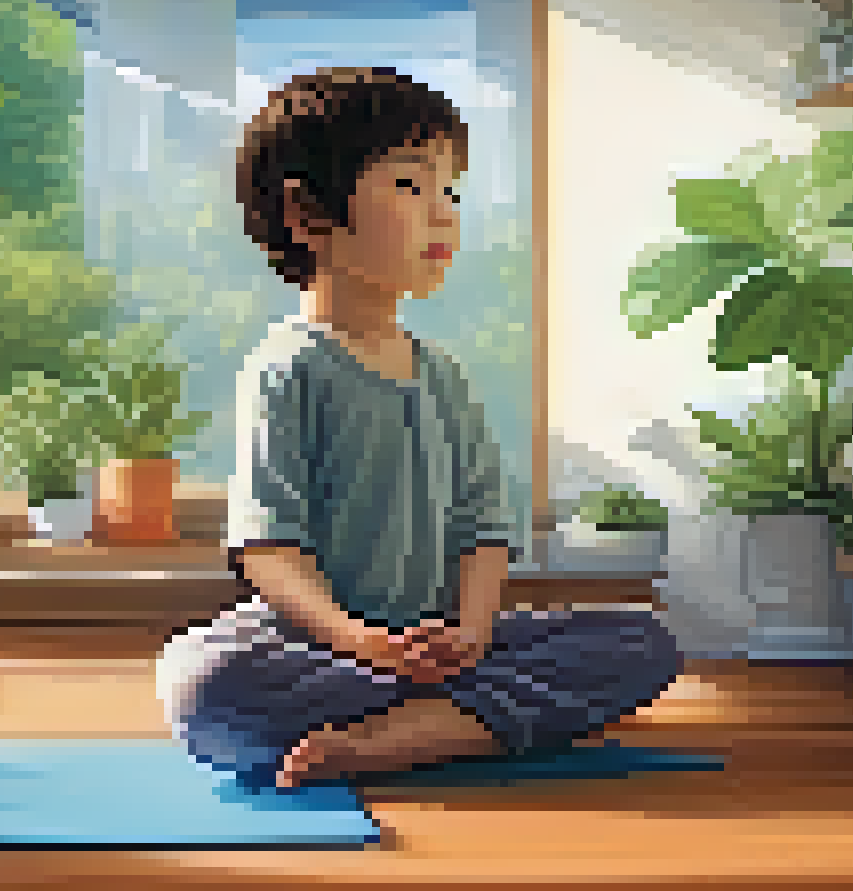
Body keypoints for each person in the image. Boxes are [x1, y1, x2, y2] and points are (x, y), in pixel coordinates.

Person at [154, 66, 683, 790]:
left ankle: (401, 737)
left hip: (447, 646)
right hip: (323, 647)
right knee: (204, 681)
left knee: (642, 641)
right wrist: (360, 641)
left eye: (450, 192)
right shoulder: (285, 370)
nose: (443, 214)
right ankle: (470, 723)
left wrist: (468, 634)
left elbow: (482, 528)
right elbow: (269, 551)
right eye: (411, 186)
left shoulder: (445, 375)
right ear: (309, 215)